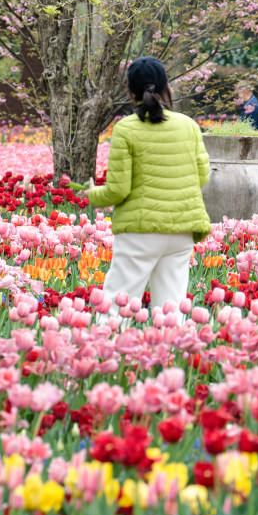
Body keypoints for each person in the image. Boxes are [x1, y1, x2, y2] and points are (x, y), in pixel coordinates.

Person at [84, 56, 211, 321]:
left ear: (130, 91)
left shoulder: (126, 128)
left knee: (114, 311)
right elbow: (201, 176)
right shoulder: (188, 125)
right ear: (166, 88)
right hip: (181, 228)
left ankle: (103, 359)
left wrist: (92, 193)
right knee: (171, 311)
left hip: (140, 231)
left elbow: (118, 190)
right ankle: (170, 361)